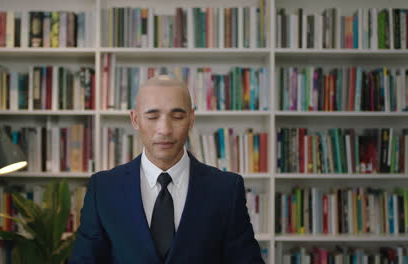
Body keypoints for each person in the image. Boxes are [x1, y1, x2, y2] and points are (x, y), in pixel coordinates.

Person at [69, 75, 264, 264]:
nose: (165, 129)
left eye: (177, 116)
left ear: (191, 119)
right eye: (152, 117)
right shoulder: (103, 188)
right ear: (135, 120)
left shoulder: (226, 189)